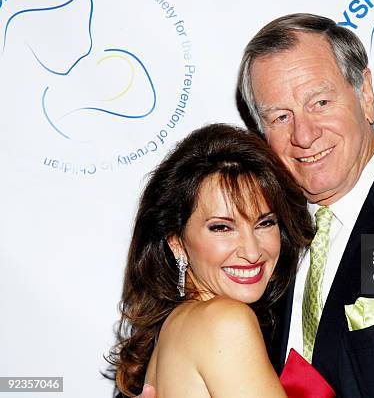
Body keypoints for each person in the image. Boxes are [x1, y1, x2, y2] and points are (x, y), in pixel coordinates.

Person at [136, 13, 374, 397]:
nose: (304, 134)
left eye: (320, 102)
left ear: (365, 94)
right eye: (281, 116)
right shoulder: (263, 232)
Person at [107, 123, 335, 397]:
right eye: (221, 228)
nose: (252, 252)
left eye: (264, 223)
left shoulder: (176, 327)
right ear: (176, 241)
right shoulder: (225, 322)